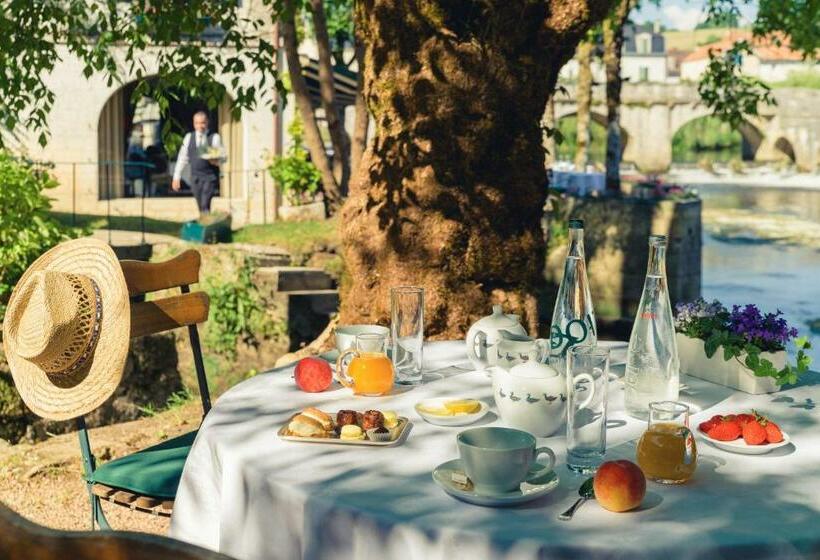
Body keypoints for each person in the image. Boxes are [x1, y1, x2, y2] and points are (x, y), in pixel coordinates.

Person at [172, 111, 226, 216]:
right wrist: (176, 177)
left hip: (210, 177)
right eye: (197, 123)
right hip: (195, 177)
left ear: (207, 123)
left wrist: (216, 161)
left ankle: (204, 225)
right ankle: (207, 223)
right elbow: (182, 158)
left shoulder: (214, 137)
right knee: (201, 205)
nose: (200, 126)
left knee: (205, 203)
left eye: (203, 123)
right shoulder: (188, 137)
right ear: (193, 123)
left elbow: (223, 158)